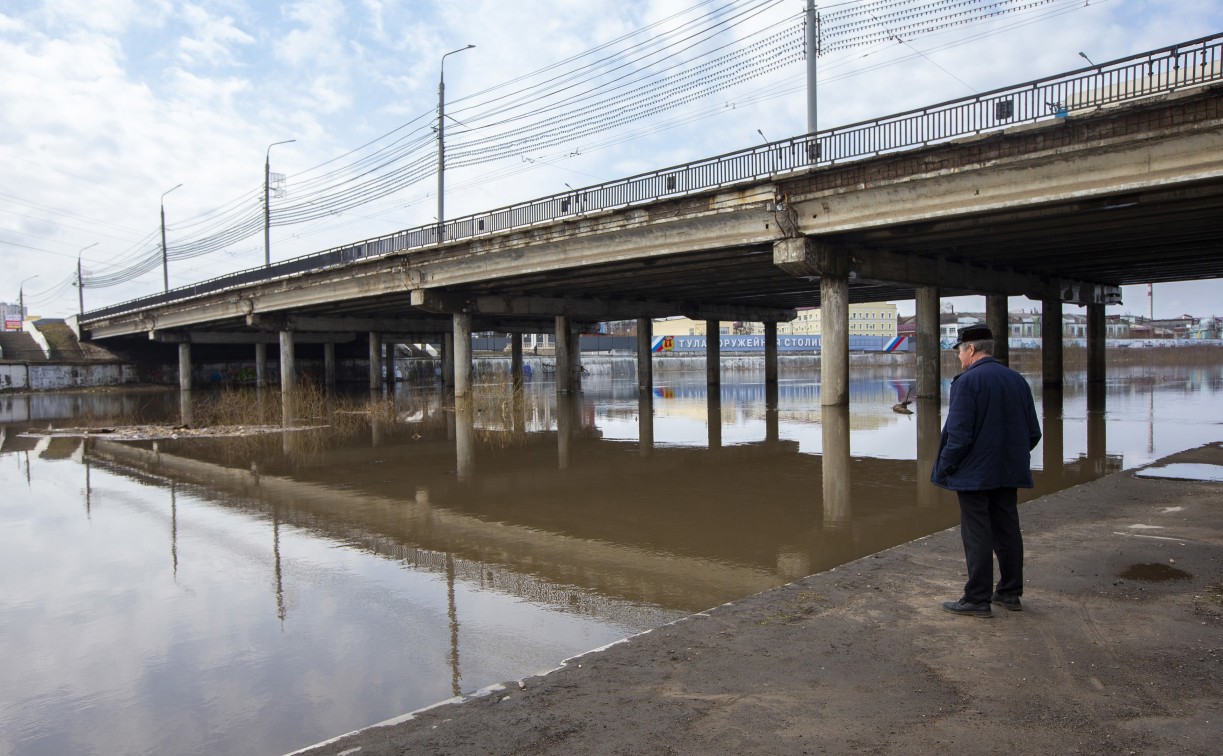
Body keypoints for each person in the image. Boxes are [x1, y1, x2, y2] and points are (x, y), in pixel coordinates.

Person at [931, 324, 1042, 618]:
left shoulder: (967, 382)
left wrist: (947, 465)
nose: (958, 358)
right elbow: (1033, 432)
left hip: (974, 475)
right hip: (1008, 471)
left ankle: (977, 599)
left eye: (959, 352)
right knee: (1006, 530)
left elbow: (959, 434)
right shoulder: (1017, 380)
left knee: (977, 532)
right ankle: (1009, 593)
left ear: (970, 349)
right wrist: (1009, 457)